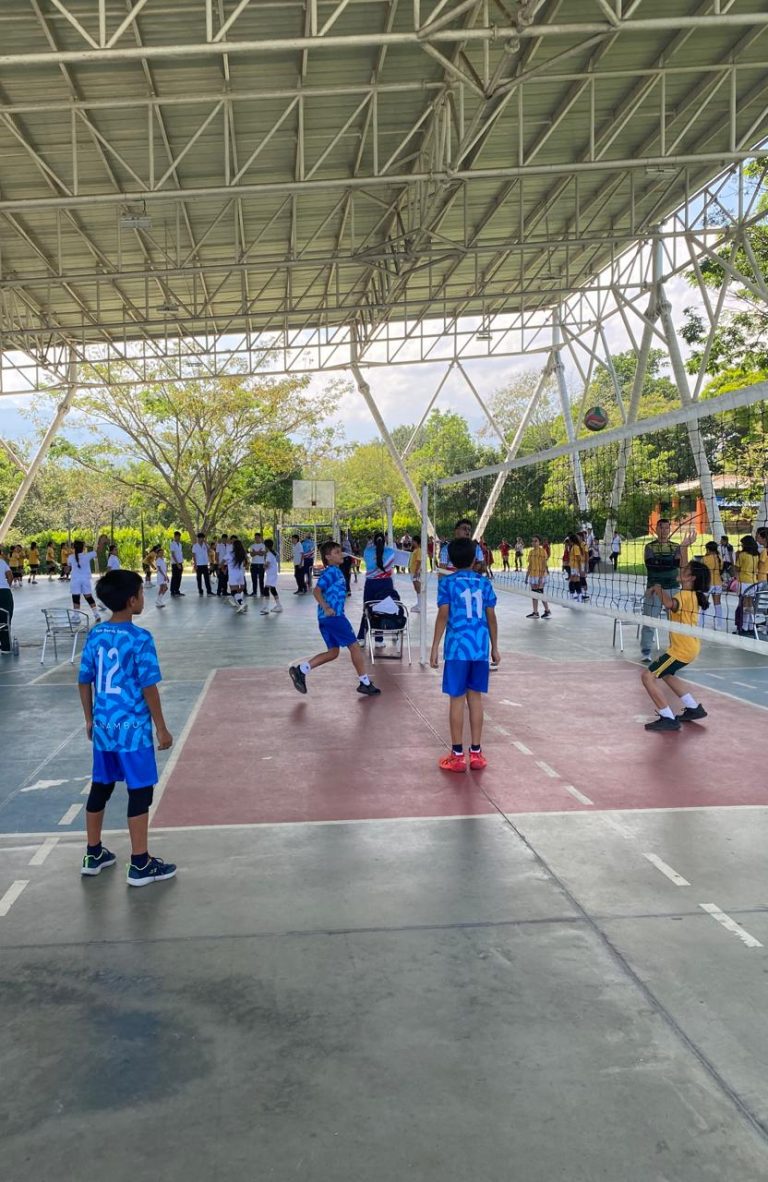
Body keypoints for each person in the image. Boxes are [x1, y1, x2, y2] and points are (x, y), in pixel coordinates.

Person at [77, 568, 176, 886]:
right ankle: (140, 863)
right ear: (132, 600)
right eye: (142, 593)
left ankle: (93, 853)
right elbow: (149, 687)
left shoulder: (96, 635)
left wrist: (89, 718)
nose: (144, 598)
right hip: (132, 730)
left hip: (104, 726)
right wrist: (161, 728)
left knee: (101, 786)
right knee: (140, 791)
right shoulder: (140, 638)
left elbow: (84, 680)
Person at [430, 536, 499, 773]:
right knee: (475, 698)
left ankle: (457, 755)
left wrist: (434, 647)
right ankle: (476, 754)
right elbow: (491, 617)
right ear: (474, 559)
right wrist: (495, 647)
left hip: (457, 649)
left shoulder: (447, 583)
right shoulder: (484, 583)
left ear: (450, 560)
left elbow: (443, 615)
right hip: (479, 648)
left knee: (457, 700)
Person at [289, 540, 381, 698]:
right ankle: (364, 683)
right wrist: (326, 607)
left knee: (333, 652)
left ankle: (301, 670)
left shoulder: (336, 571)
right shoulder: (331, 572)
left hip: (326, 619)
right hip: (334, 617)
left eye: (340, 551)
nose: (341, 554)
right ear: (328, 557)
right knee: (355, 647)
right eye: (336, 552)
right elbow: (317, 591)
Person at [640, 560, 710, 733]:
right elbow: (672, 604)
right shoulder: (691, 594)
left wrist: (658, 589)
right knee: (666, 674)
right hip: (690, 647)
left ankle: (668, 718)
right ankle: (693, 707)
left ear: (691, 578)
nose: (681, 570)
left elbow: (669, 604)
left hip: (681, 650)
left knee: (647, 676)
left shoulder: (684, 596)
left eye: (685, 570)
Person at [639, 520, 693, 661]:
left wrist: (679, 553)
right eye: (661, 528)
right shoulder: (649, 547)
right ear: (657, 529)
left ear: (669, 529)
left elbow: (679, 564)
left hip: (673, 587)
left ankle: (676, 648)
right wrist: (670, 562)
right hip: (654, 588)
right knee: (649, 621)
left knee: (675, 622)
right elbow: (652, 565)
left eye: (667, 528)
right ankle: (646, 651)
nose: (664, 531)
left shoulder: (676, 546)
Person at [358, 531, 400, 641]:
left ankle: (361, 638)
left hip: (371, 584)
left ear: (374, 540)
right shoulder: (390, 552)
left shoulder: (367, 551)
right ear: (384, 540)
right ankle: (379, 640)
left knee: (367, 609)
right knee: (382, 609)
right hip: (386, 583)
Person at [68, 540, 102, 621]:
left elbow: (68, 566)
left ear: (74, 548)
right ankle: (96, 614)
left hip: (75, 580)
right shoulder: (87, 555)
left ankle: (76, 617)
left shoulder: (70, 557)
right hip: (85, 580)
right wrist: (101, 542)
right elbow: (98, 551)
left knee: (76, 598)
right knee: (89, 597)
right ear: (83, 548)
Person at [735, 534, 759, 636]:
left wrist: (737, 557)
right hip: (754, 582)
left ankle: (743, 628)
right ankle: (750, 627)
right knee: (750, 605)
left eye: (742, 544)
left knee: (744, 606)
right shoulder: (756, 555)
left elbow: (737, 568)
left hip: (744, 581)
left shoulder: (742, 555)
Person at [525, 535, 551, 619]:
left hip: (540, 575)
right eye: (532, 541)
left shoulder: (542, 551)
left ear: (539, 542)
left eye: (536, 541)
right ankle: (535, 612)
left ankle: (547, 610)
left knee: (540, 593)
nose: (534, 542)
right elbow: (530, 565)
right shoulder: (531, 552)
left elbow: (544, 565)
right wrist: (527, 576)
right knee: (534, 594)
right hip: (533, 575)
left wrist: (540, 577)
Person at [701, 541, 723, 629]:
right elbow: (721, 569)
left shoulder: (705, 559)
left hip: (708, 583)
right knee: (717, 604)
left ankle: (701, 623)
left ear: (708, 549)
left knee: (704, 603)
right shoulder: (719, 558)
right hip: (718, 583)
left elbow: (702, 570)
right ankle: (719, 624)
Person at [226, 536, 248, 612]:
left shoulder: (230, 553)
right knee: (240, 588)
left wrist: (222, 567)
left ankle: (241, 603)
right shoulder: (242, 553)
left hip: (233, 574)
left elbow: (222, 562)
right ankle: (238, 600)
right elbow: (246, 563)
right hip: (240, 573)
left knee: (233, 591)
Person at [261, 538, 282, 613]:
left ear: (266, 546)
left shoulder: (269, 554)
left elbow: (267, 564)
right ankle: (279, 606)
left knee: (266, 590)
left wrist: (263, 566)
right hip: (272, 574)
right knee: (272, 589)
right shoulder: (273, 552)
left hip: (271, 575)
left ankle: (266, 608)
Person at [0, 549, 13, 655]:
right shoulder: (2, 562)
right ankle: (5, 647)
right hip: (4, 592)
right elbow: (10, 576)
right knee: (5, 618)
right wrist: (6, 586)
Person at [249, 532, 266, 598]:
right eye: (255, 538)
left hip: (261, 564)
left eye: (258, 537)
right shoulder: (252, 546)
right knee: (254, 579)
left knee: (261, 579)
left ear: (260, 538)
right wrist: (258, 552)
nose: (256, 539)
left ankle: (262, 592)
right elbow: (251, 554)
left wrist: (255, 552)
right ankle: (254, 592)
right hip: (254, 564)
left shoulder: (263, 545)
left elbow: (262, 554)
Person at [409, 536, 422, 611]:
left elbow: (419, 561)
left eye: (413, 541)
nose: (412, 542)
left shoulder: (418, 550)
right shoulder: (415, 550)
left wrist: (416, 572)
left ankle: (420, 605)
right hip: (413, 571)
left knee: (418, 587)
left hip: (415, 572)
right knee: (416, 588)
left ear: (416, 542)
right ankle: (419, 603)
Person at [170, 530, 185, 597]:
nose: (178, 538)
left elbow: (180, 554)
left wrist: (180, 563)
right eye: (177, 536)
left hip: (180, 562)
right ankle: (173, 591)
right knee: (175, 577)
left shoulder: (180, 544)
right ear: (174, 536)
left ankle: (177, 591)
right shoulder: (172, 544)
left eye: (179, 536)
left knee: (179, 577)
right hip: (175, 563)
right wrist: (177, 564)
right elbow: (173, 554)